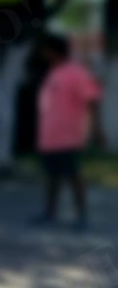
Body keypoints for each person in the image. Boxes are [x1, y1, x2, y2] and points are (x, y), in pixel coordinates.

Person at [35, 33, 104, 229]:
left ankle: (82, 216)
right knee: (52, 175)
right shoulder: (53, 72)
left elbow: (92, 100)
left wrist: (97, 128)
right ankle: (49, 213)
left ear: (53, 50)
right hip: (50, 136)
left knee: (73, 175)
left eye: (45, 49)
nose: (42, 53)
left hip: (68, 135)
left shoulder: (76, 72)